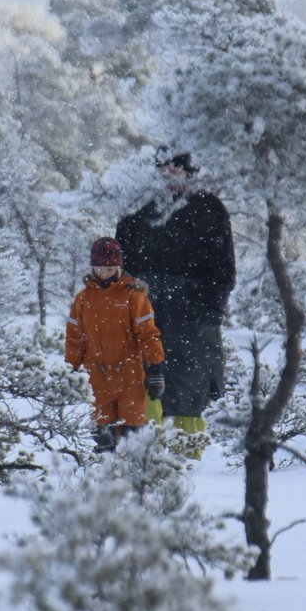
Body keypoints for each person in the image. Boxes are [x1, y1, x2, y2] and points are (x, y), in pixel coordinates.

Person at [115, 152, 234, 438]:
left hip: (193, 319)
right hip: (145, 314)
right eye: (163, 169)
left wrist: (205, 307)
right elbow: (121, 265)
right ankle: (143, 459)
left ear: (189, 172)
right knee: (141, 388)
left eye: (175, 170)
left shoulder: (209, 208)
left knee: (188, 395)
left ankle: (187, 466)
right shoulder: (137, 208)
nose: (168, 175)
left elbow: (223, 270)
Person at [64, 236, 167, 453]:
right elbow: (75, 336)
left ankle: (136, 477)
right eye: (99, 268)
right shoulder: (84, 299)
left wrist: (155, 368)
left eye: (109, 268)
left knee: (133, 431)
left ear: (119, 267)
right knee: (103, 433)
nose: (103, 273)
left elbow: (148, 334)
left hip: (129, 373)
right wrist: (71, 367)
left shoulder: (133, 295)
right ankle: (104, 477)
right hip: (97, 374)